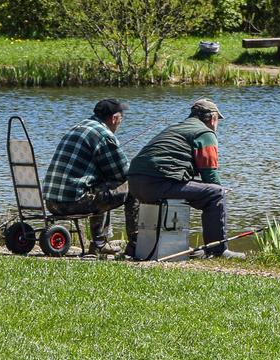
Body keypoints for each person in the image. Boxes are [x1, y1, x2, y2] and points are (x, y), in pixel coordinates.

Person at [127, 98, 231, 258]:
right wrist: (220, 191)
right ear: (213, 118)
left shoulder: (175, 128)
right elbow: (209, 174)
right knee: (216, 193)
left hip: (134, 184)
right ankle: (217, 250)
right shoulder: (205, 133)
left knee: (208, 191)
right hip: (157, 184)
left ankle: (135, 245)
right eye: (218, 121)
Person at [42, 97, 131, 254]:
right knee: (133, 188)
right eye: (121, 118)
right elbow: (123, 174)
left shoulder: (79, 127)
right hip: (72, 202)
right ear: (114, 118)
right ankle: (133, 244)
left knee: (103, 185)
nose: (120, 122)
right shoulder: (104, 135)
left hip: (51, 202)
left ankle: (100, 243)